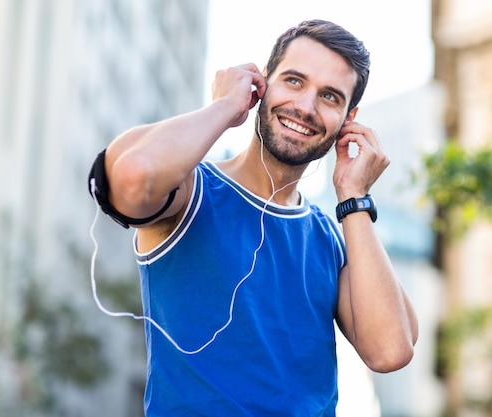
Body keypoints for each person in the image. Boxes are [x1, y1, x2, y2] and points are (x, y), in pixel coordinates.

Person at [89, 19, 418, 416]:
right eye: (294, 81)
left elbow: (390, 350)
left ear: (348, 119)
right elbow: (134, 178)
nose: (306, 107)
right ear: (261, 84)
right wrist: (225, 107)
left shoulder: (331, 237)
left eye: (330, 96)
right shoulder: (193, 191)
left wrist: (354, 197)